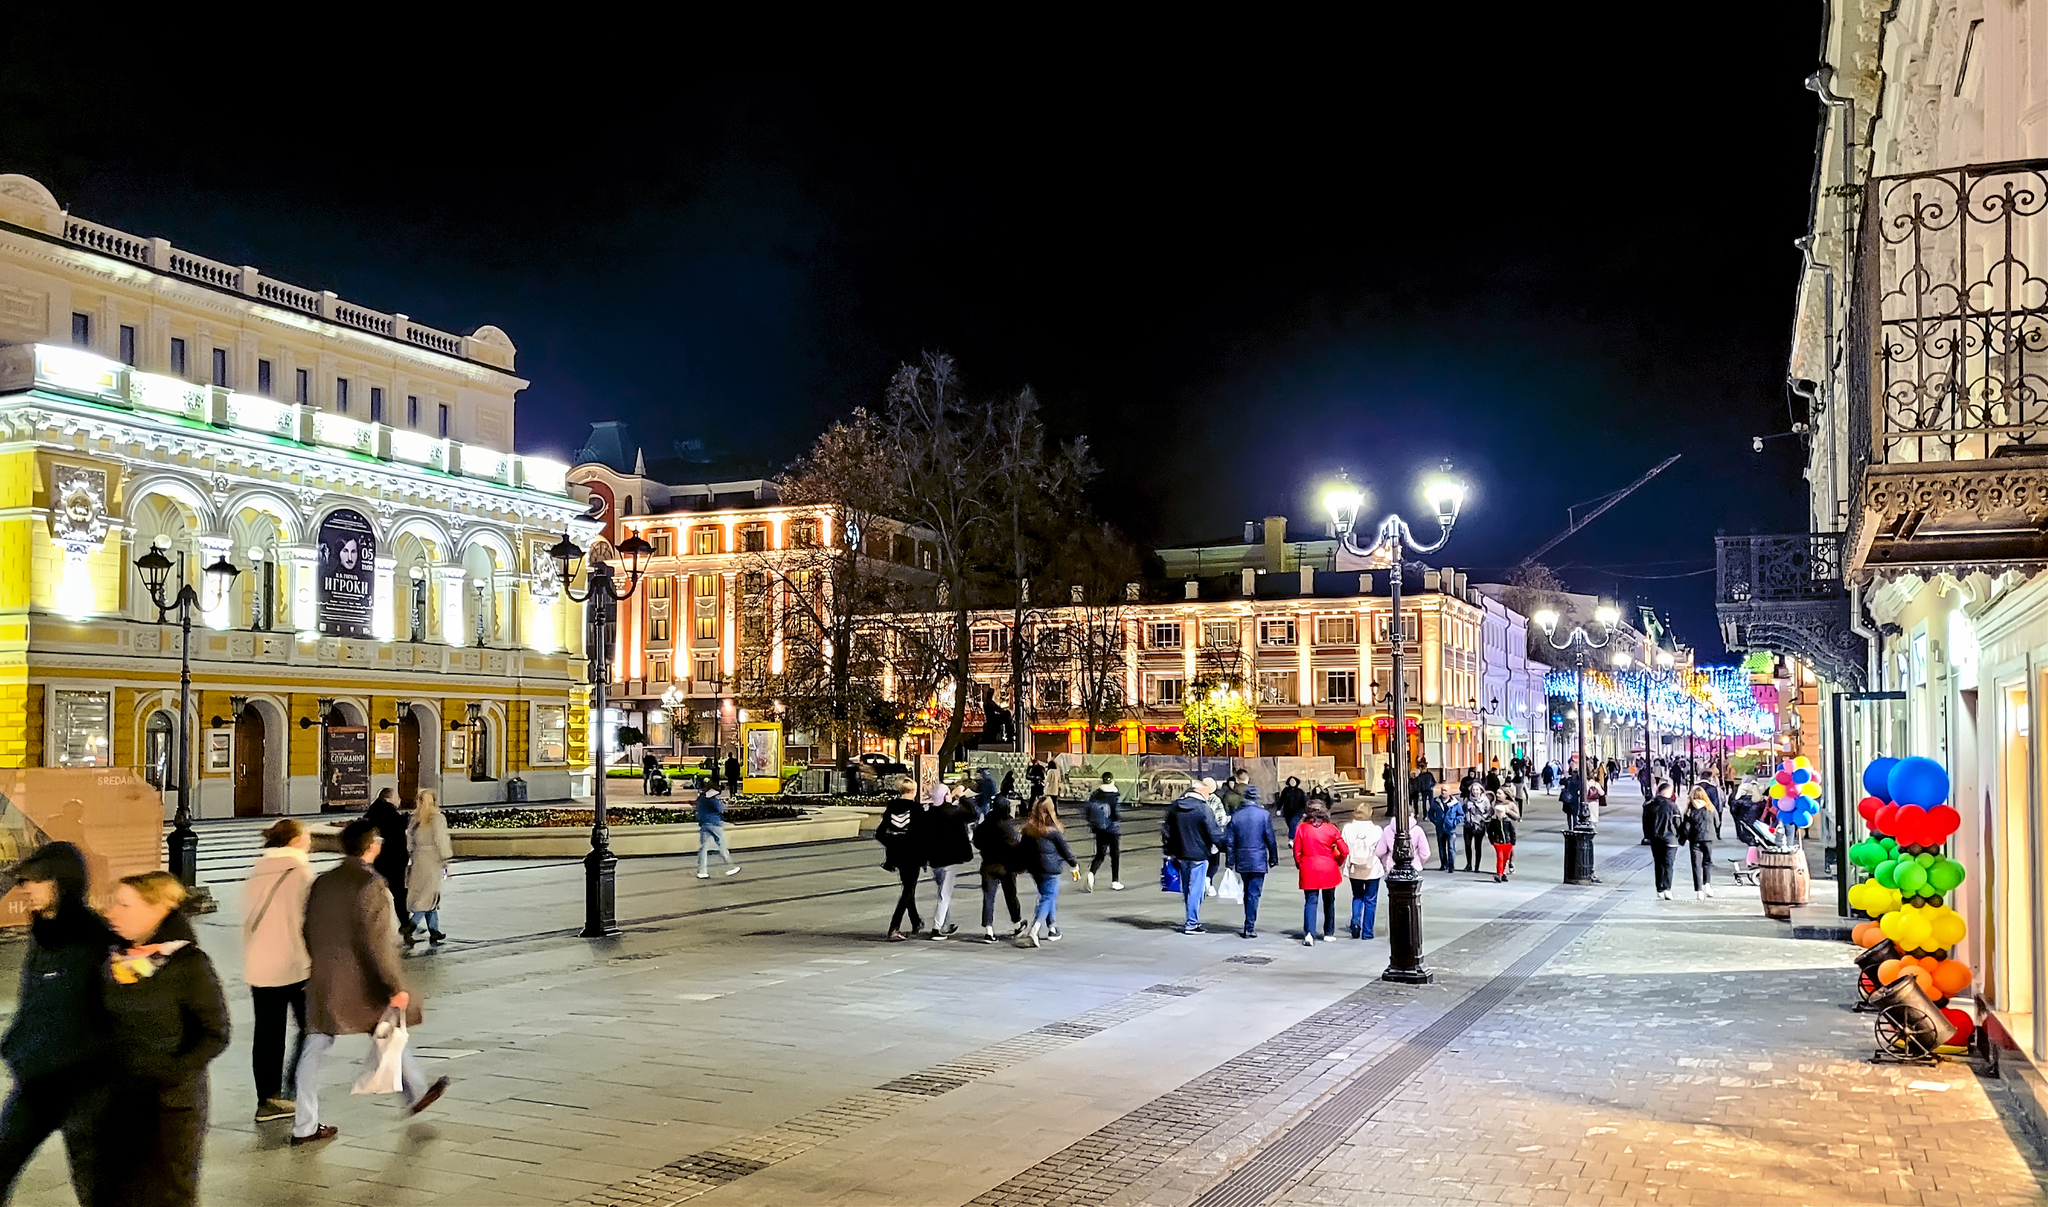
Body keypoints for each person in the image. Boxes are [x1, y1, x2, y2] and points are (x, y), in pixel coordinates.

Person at [292, 820, 449, 1146]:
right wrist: (395, 986)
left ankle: (304, 1125)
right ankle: (415, 1093)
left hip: (325, 978)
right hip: (363, 980)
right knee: (388, 1029)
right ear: (371, 846)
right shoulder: (371, 884)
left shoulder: (323, 881)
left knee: (315, 1048)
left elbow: (306, 930)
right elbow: (378, 943)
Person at [98, 872, 230, 1207]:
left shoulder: (187, 963)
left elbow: (216, 1032)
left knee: (171, 1196)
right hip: (121, 1102)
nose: (112, 912)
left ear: (156, 909)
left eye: (124, 905)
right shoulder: (114, 960)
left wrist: (169, 1072)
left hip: (171, 1107)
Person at [0, 843, 116, 1203]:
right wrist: (17, 1045)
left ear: (62, 882)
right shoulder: (42, 933)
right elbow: (35, 1001)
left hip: (83, 1087)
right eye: (25, 882)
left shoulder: (96, 938)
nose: (27, 889)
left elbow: (112, 1013)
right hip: (36, 1080)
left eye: (36, 881)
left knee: (96, 1185)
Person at [243, 819, 314, 1123]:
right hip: (294, 964)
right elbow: (308, 920)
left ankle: (267, 1099)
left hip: (259, 964)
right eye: (307, 836)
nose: (309, 841)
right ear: (295, 840)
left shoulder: (257, 870)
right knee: (312, 1028)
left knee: (268, 1033)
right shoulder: (299, 872)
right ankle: (293, 1088)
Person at [1162, 781, 1224, 934]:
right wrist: (1224, 847)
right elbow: (1214, 833)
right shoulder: (1203, 809)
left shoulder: (1175, 807)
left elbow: (1166, 831)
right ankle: (1191, 923)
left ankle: (1190, 917)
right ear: (1202, 792)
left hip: (1181, 853)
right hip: (1199, 854)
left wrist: (1169, 850)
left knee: (1187, 888)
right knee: (1196, 888)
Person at [1018, 797, 1077, 948]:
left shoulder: (1028, 830)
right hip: (1051, 869)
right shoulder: (1053, 832)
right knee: (1048, 896)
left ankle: (1052, 928)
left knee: (1046, 896)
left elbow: (1021, 850)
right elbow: (1065, 850)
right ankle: (1035, 928)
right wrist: (1074, 865)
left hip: (1035, 869)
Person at [1220, 786, 1277, 939]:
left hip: (1242, 859)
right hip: (1258, 859)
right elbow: (1270, 838)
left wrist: (1230, 862)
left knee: (1247, 891)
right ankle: (1249, 925)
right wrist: (1273, 857)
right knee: (1254, 893)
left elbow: (1230, 841)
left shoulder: (1236, 816)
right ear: (1256, 798)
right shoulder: (1264, 815)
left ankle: (1248, 922)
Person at [1292, 804, 1349, 946]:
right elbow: (1344, 850)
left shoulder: (1302, 829)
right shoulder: (1331, 828)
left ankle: (1309, 933)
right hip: (1328, 867)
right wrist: (1338, 862)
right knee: (1329, 901)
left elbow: (1297, 851)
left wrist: (1301, 864)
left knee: (1311, 901)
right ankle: (1328, 932)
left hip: (1309, 866)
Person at [974, 797, 1027, 942]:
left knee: (988, 897)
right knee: (1010, 895)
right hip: (1006, 866)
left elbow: (976, 841)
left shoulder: (985, 824)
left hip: (987, 865)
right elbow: (1014, 844)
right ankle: (1017, 924)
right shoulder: (1006, 825)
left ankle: (988, 930)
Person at [925, 787, 975, 939]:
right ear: (944, 796)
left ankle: (944, 924)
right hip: (949, 860)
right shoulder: (952, 813)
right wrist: (962, 798)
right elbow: (972, 814)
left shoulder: (928, 814)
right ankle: (936, 928)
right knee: (944, 895)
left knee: (942, 891)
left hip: (934, 860)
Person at [876, 787, 926, 939]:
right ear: (914, 791)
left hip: (896, 856)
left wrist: (893, 844)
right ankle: (894, 927)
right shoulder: (916, 809)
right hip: (912, 854)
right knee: (908, 889)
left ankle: (916, 921)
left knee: (908, 887)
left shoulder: (892, 807)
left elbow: (879, 833)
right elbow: (922, 834)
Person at [405, 789, 454, 943]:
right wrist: (445, 860)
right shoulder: (437, 818)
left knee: (426, 896)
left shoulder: (415, 819)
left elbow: (409, 843)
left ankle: (434, 930)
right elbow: (441, 840)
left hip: (419, 860)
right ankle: (410, 927)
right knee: (429, 897)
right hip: (432, 860)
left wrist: (414, 856)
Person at [363, 788, 410, 939]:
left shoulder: (373, 812)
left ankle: (374, 924)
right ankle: (406, 924)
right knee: (399, 893)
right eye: (397, 797)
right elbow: (397, 829)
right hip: (393, 860)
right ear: (389, 799)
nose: (400, 800)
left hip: (378, 859)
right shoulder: (390, 814)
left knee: (377, 892)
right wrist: (407, 819)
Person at [1340, 808, 1385, 939]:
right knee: (1370, 900)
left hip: (1354, 868)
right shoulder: (1376, 830)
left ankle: (1355, 922)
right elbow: (1380, 850)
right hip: (1372, 868)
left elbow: (1344, 847)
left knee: (1357, 896)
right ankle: (1367, 931)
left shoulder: (1348, 828)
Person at [695, 781, 741, 879]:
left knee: (703, 847)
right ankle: (730, 866)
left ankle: (702, 871)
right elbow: (720, 809)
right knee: (721, 845)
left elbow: (698, 810)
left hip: (704, 824)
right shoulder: (714, 799)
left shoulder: (701, 799)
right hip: (715, 824)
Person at [1084, 773, 1123, 891]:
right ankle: (1115, 881)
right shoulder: (1114, 794)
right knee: (1114, 855)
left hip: (1099, 829)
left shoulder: (1096, 794)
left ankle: (1091, 873)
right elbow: (1115, 814)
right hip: (1112, 829)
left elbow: (1087, 810)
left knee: (1100, 854)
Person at [1645, 782, 1683, 900]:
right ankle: (1667, 888)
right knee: (1668, 864)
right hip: (1670, 839)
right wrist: (1680, 837)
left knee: (1658, 863)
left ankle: (1659, 888)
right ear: (1668, 792)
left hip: (1655, 839)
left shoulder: (1649, 805)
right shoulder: (1672, 806)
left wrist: (1648, 836)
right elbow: (1678, 824)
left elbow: (1645, 824)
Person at [1681, 787, 1718, 899]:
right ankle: (1707, 884)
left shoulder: (1689, 810)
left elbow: (1686, 828)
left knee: (1696, 865)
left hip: (1695, 839)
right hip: (1708, 837)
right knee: (1707, 862)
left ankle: (1699, 891)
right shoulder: (1710, 808)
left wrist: (1682, 839)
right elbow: (1717, 822)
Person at [1427, 789, 1462, 873]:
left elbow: (1460, 815)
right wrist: (1436, 822)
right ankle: (1443, 864)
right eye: (1442, 790)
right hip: (1440, 829)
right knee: (1441, 847)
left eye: (1445, 790)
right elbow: (1430, 814)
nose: (1443, 792)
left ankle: (1451, 865)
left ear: (1449, 792)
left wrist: (1454, 822)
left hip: (1451, 829)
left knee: (1451, 847)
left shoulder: (1455, 803)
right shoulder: (1436, 802)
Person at [1486, 800, 1518, 882]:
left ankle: (1503, 873)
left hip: (1507, 842)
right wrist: (1492, 841)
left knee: (1506, 859)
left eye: (1501, 812)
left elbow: (1512, 832)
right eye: (1497, 812)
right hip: (1498, 843)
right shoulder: (1493, 822)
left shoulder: (1507, 821)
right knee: (1500, 858)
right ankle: (1499, 874)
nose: (1499, 813)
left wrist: (1512, 842)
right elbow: (1489, 831)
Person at [1461, 786, 1488, 873]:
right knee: (1468, 845)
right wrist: (1465, 818)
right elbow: (1463, 810)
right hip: (1468, 825)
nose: (1475, 791)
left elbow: (1489, 811)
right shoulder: (1467, 800)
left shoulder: (1485, 800)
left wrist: (1483, 818)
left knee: (1478, 846)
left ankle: (1477, 866)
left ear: (1481, 791)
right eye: (1473, 790)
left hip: (1479, 826)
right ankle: (1469, 864)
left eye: (1477, 790)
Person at [1277, 776, 1308, 840]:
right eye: (1291, 781)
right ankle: (1296, 834)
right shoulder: (1285, 791)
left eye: (1294, 781)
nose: (1292, 782)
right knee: (1290, 824)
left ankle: (1291, 839)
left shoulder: (1300, 791)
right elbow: (1281, 800)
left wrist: (1305, 811)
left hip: (1298, 811)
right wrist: (1278, 809)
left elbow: (1304, 802)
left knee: (1293, 823)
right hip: (1287, 811)